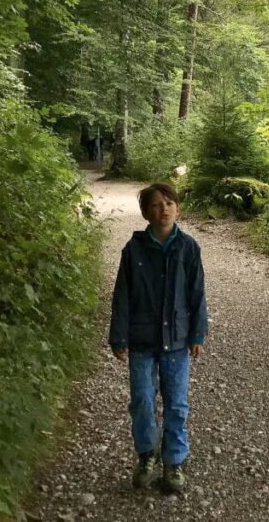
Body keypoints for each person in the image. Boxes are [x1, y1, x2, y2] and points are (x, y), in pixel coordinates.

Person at [109, 183, 208, 493]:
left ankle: (174, 460)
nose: (163, 209)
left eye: (168, 203)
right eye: (155, 205)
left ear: (177, 208)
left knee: (177, 404)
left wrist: (197, 333)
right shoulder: (133, 249)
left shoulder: (188, 248)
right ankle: (147, 455)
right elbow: (122, 296)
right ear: (145, 213)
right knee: (141, 400)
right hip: (141, 339)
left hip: (177, 340)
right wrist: (119, 337)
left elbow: (197, 294)